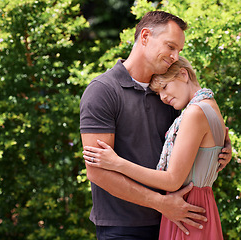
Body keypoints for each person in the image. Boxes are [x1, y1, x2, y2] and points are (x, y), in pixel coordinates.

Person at [80, 11, 232, 239]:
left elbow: (198, 128)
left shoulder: (170, 93)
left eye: (179, 51)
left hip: (174, 220)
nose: (174, 55)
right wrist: (161, 203)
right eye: (170, 46)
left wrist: (220, 148)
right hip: (124, 228)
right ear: (145, 37)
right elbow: (97, 172)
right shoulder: (102, 91)